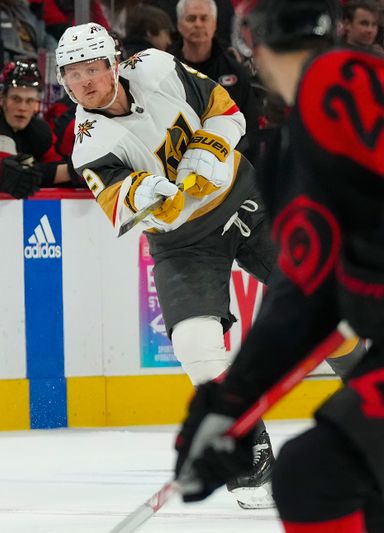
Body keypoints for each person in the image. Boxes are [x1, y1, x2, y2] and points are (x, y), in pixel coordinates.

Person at [173, 1, 384, 530]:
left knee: (316, 478)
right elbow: (308, 299)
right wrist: (231, 401)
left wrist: (229, 400)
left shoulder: (329, 100)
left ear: (249, 40)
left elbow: (304, 299)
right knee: (334, 479)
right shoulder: (296, 142)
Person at [56, 22, 278, 508]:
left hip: (243, 198)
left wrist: (208, 149)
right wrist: (150, 195)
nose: (84, 82)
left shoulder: (156, 68)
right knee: (194, 344)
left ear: (114, 64)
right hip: (182, 244)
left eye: (92, 68)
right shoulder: (89, 143)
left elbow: (226, 109)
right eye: (72, 74)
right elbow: (119, 205)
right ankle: (251, 453)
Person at [171, 0, 260, 152]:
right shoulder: (167, 69)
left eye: (204, 18)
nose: (198, 24)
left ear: (214, 24)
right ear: (179, 25)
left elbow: (250, 127)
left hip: (228, 157)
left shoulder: (235, 72)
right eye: (191, 18)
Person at [0, 61, 73, 188]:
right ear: (1, 99)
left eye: (30, 101)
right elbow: (8, 174)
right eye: (16, 99)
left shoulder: (41, 130)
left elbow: (54, 163)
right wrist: (69, 171)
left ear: (37, 104)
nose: (22, 107)